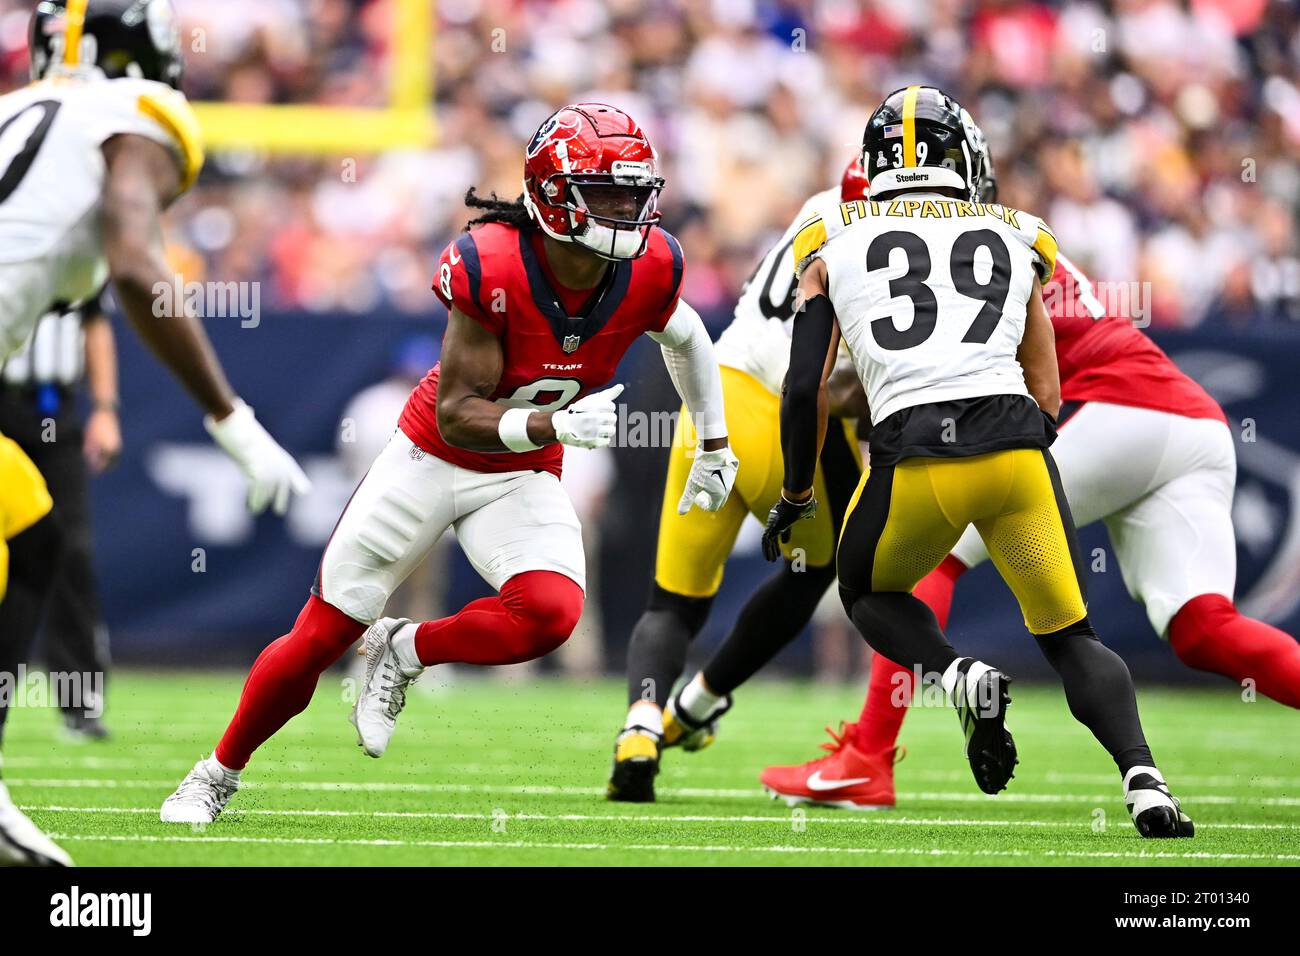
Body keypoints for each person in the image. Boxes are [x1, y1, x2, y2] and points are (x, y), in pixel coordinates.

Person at [159, 103, 740, 825]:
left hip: (523, 471)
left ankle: (406, 651)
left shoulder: (649, 266)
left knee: (552, 615)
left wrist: (714, 441)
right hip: (432, 457)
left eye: (634, 194)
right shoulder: (490, 261)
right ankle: (215, 773)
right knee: (321, 634)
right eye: (607, 195)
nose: (628, 211)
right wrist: (555, 421)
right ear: (555, 194)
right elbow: (456, 410)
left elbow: (687, 339)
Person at [760, 133, 1300, 811]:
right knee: (1202, 628)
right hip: (1188, 419)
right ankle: (1139, 775)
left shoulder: (884, 245)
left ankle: (868, 756)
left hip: (1103, 409)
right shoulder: (1013, 237)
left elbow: (885, 382)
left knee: (932, 555)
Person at [0, 0, 310, 867]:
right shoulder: (131, 112)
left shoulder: (15, 113)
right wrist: (232, 417)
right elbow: (139, 264)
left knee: (27, 524)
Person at [608, 157, 870, 802]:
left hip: (712, 395)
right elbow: (836, 388)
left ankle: (640, 727)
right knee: (816, 569)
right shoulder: (885, 239)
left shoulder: (820, 205)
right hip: (784, 413)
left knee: (673, 601)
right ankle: (697, 705)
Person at [0, 291, 118, 740]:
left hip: (55, 413)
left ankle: (79, 700)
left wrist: (106, 409)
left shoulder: (77, 249)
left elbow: (94, 324)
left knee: (72, 552)